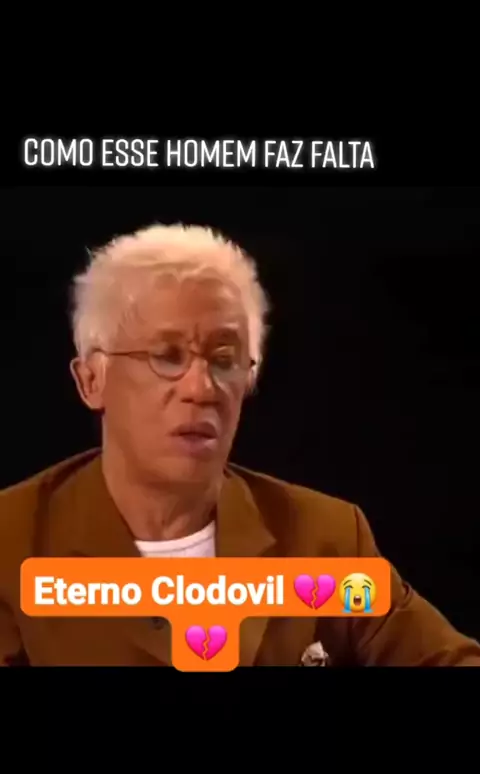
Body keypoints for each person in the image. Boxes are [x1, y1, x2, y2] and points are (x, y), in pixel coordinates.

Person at [1, 223, 479, 667]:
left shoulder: (325, 538)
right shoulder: (12, 539)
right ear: (91, 380)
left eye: (224, 359)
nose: (201, 388)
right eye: (167, 356)